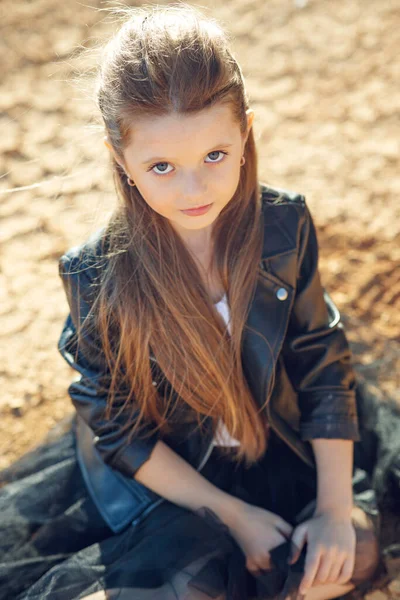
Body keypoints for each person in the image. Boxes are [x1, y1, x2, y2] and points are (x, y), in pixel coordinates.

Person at [0, 4, 399, 599]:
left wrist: (336, 511)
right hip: (179, 477)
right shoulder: (95, 276)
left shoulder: (284, 226)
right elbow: (123, 434)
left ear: (245, 134)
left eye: (214, 155)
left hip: (285, 442)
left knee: (346, 558)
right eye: (161, 166)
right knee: (191, 583)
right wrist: (231, 516)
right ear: (121, 161)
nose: (194, 190)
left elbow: (321, 364)